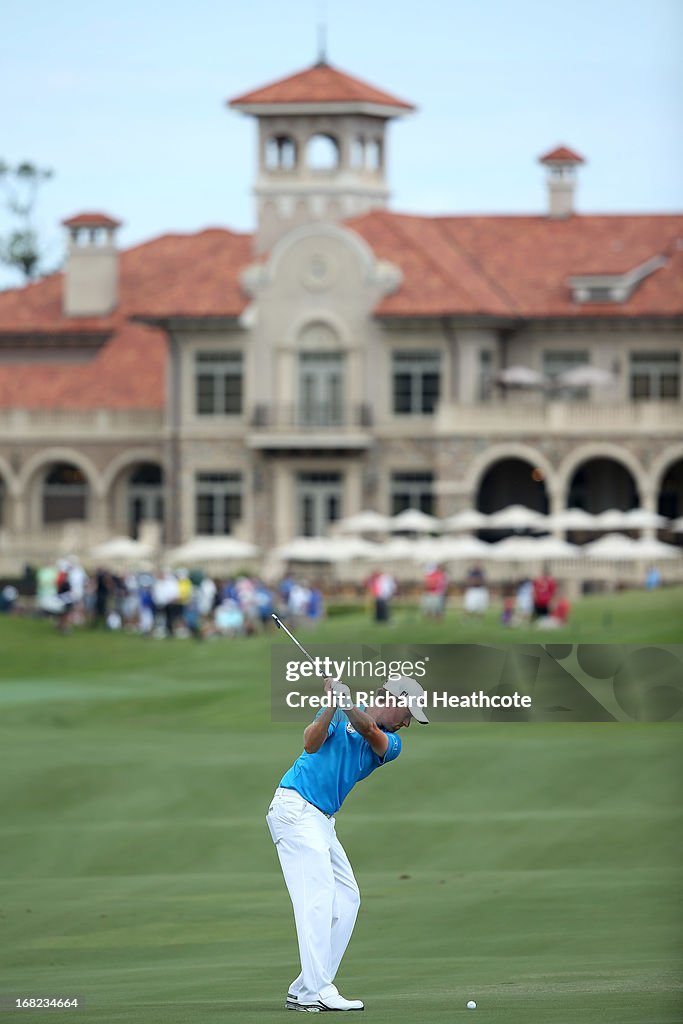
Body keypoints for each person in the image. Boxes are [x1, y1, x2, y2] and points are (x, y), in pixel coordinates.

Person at [267, 674, 429, 1013]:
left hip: (322, 821)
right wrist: (331, 703)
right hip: (296, 808)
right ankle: (316, 990)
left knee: (347, 898)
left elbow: (370, 730)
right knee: (318, 897)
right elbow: (310, 744)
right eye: (408, 712)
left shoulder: (391, 743)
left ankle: (306, 986)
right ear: (393, 699)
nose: (408, 722)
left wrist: (347, 703)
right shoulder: (339, 712)